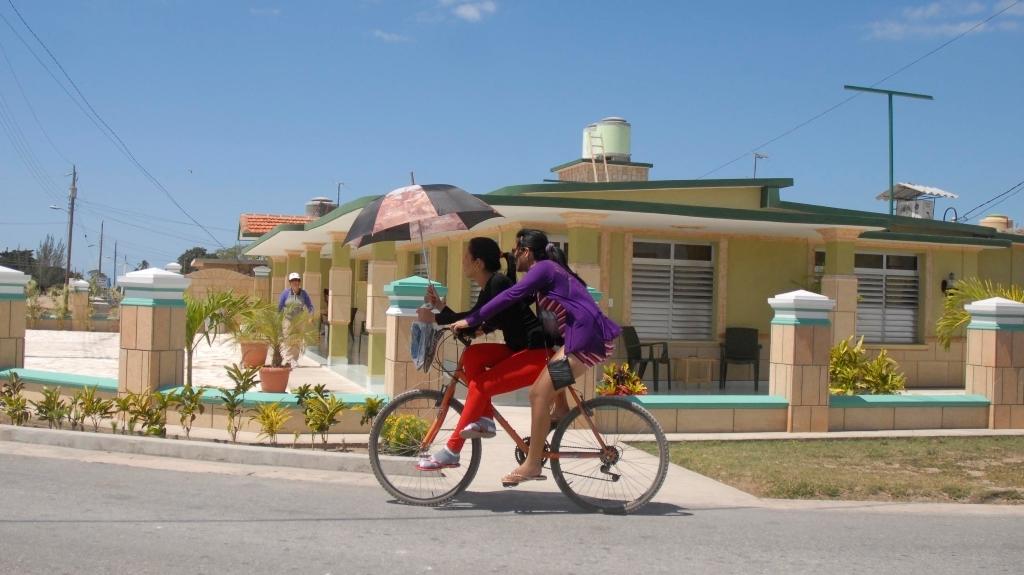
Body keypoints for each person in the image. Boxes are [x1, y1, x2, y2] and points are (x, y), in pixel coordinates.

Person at [451, 229, 621, 487]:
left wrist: (472, 318)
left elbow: (508, 296)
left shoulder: (543, 270)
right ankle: (561, 408)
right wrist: (481, 327)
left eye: (516, 251)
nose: (513, 256)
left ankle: (531, 465)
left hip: (585, 340)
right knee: (548, 379)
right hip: (581, 338)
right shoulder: (547, 274)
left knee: (538, 394)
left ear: (526, 252)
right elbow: (512, 306)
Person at [415, 237, 550, 471]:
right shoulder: (490, 285)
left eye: (465, 258)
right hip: (518, 349)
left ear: (477, 263)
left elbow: (475, 315)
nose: (462, 262)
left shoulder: (498, 283)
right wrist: (440, 308)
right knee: (472, 356)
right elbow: (478, 316)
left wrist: (436, 318)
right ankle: (485, 419)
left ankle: (452, 450)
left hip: (536, 354)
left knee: (481, 385)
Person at [277, 272, 314, 366]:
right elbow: (279, 307)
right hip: (288, 320)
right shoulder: (285, 293)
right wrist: (277, 318)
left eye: (297, 280)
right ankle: (288, 359)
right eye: (293, 280)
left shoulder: (304, 294)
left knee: (297, 340)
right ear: (290, 282)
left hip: (299, 321)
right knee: (288, 339)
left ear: (299, 282)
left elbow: (310, 306)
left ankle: (294, 360)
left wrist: (311, 316)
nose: (295, 282)